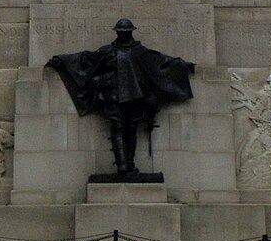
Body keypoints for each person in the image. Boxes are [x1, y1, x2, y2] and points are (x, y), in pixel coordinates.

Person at [46, 19, 195, 175]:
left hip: (135, 97)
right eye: (121, 33)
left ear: (130, 32)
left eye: (125, 33)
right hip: (113, 95)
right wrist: (62, 60)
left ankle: (129, 163)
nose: (123, 35)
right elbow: (86, 59)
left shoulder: (140, 51)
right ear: (117, 33)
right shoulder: (108, 51)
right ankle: (122, 165)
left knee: (131, 128)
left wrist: (183, 65)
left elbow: (161, 61)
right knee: (118, 127)